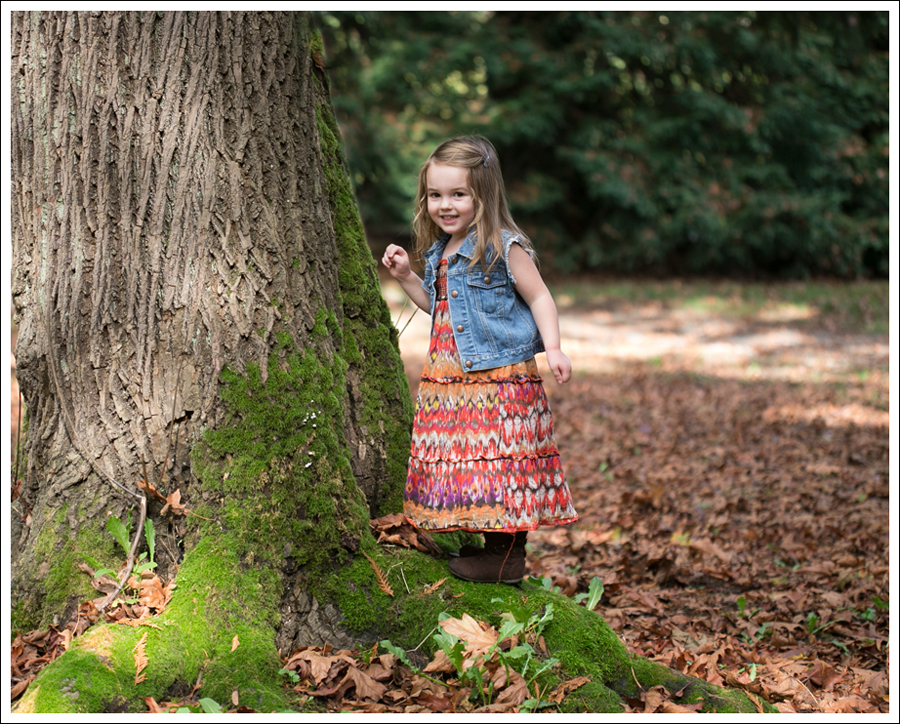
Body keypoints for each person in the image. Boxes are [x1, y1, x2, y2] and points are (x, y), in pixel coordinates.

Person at [382, 135, 577, 584]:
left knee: (503, 462)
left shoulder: (503, 247)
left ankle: (507, 555)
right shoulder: (439, 251)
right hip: (452, 379)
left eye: (457, 194)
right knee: (471, 463)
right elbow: (439, 306)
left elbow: (540, 297)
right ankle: (490, 543)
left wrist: (555, 346)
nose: (444, 205)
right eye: (435, 195)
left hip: (498, 378)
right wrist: (407, 276)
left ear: (483, 195)